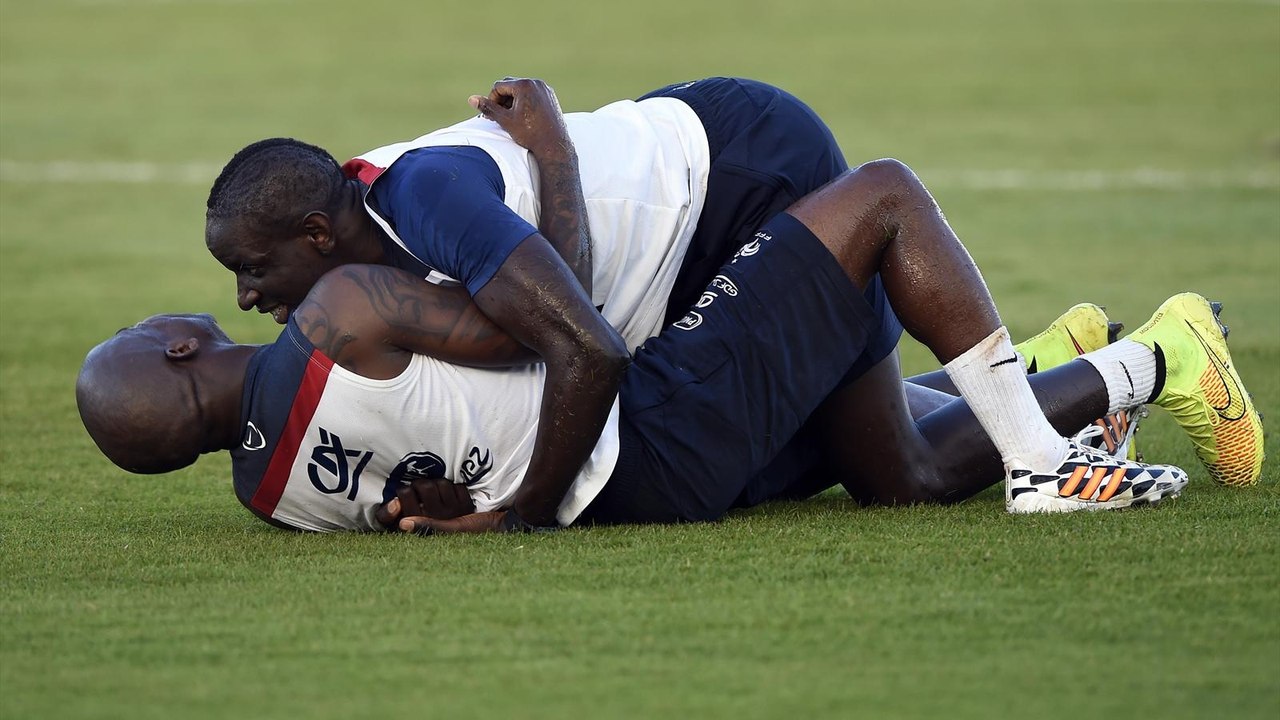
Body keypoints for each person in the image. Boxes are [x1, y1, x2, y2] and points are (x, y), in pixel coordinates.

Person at [79, 158, 1265, 532]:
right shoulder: (340, 310)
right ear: (180, 347)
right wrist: (547, 163)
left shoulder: (266, 500)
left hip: (638, 493)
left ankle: (1072, 358)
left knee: (890, 464)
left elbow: (421, 480)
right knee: (877, 202)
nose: (232, 301)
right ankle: (1158, 355)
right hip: (639, 428)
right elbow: (552, 334)